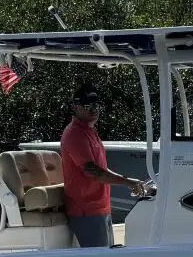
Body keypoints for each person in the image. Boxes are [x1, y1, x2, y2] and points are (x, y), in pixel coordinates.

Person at [59, 84, 146, 247]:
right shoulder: (75, 134)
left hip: (99, 207)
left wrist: (126, 180)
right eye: (88, 106)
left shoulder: (89, 130)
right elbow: (94, 172)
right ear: (75, 107)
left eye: (96, 105)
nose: (94, 109)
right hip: (86, 209)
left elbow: (101, 169)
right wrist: (128, 182)